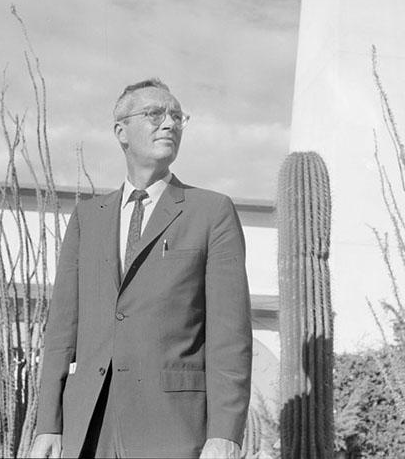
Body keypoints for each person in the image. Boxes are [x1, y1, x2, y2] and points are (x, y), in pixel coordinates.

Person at [30, 79, 252, 458]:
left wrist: (225, 433)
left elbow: (229, 336)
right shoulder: (87, 219)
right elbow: (62, 329)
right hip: (88, 424)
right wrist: (48, 423)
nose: (169, 124)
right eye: (155, 113)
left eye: (177, 116)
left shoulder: (212, 212)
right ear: (121, 132)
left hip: (173, 429)